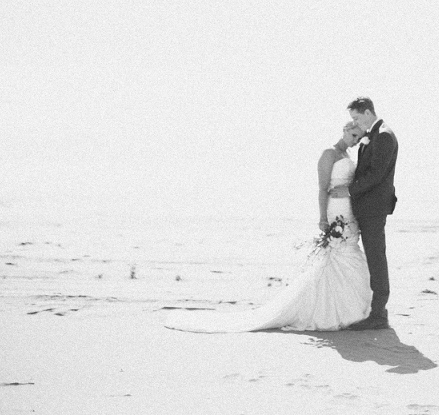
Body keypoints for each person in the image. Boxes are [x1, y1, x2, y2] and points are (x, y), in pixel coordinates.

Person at [165, 122, 371, 333]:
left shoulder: (347, 157)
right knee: (337, 254)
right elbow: (321, 188)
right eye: (353, 135)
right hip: (335, 209)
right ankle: (329, 310)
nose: (355, 141)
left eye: (358, 138)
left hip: (348, 209)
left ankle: (347, 308)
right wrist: (322, 218)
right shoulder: (329, 154)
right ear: (345, 130)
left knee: (348, 253)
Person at [330, 97, 398, 330]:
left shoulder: (385, 136)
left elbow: (376, 176)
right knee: (373, 257)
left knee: (376, 258)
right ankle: (376, 311)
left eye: (357, 118)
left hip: (374, 208)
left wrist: (347, 191)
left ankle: (379, 314)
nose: (356, 122)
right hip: (367, 207)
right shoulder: (374, 135)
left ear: (368, 112)